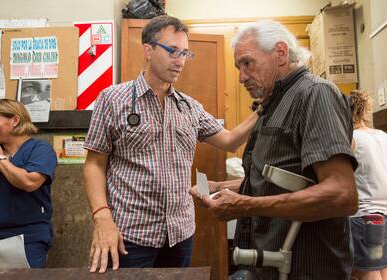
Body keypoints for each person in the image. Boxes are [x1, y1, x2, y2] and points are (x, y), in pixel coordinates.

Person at [83, 15, 259, 273]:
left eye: (185, 53)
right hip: (129, 236)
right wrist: (102, 218)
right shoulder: (113, 99)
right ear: (148, 50)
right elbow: (93, 165)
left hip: (179, 235)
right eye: (172, 51)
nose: (180, 61)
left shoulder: (189, 107)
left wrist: (264, 107)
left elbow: (230, 140)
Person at [191, 20, 358, 279]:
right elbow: (279, 178)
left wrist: (247, 205)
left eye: (248, 63)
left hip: (308, 269)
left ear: (280, 54)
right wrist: (221, 188)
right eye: (238, 67)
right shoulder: (271, 105)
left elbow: (341, 194)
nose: (242, 77)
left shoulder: (315, 94)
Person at [0, 99, 57, 268]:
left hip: (27, 236)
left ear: (15, 120)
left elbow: (29, 182)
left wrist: (1, 159)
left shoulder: (40, 150)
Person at [349, 90, 387, 280]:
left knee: (368, 272)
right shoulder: (383, 137)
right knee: (384, 270)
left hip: (365, 216)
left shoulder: (352, 139)